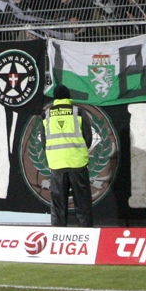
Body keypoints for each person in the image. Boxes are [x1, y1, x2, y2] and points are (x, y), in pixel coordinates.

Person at [42, 85, 93, 227]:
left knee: (58, 205)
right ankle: (87, 235)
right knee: (82, 203)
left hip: (57, 164)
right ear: (68, 96)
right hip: (78, 164)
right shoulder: (78, 112)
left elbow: (43, 141)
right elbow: (88, 138)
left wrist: (53, 155)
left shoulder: (46, 115)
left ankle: (58, 238)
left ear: (55, 98)